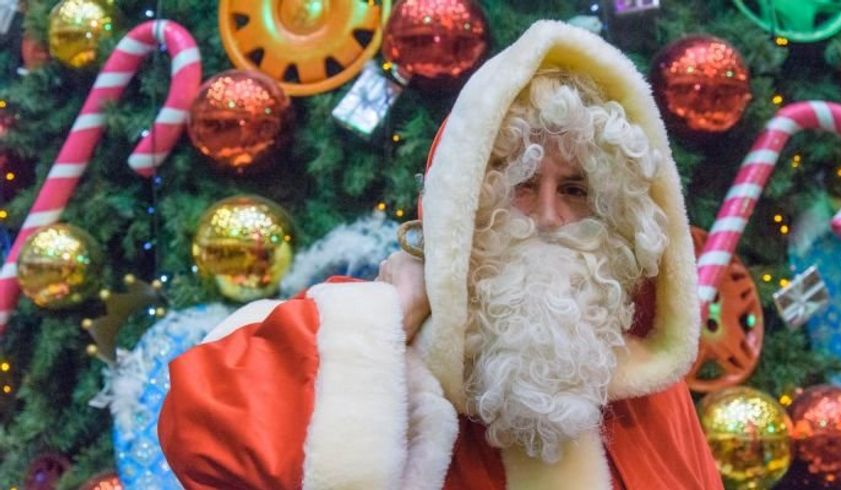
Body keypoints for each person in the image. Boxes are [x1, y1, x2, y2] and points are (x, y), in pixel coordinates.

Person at [159, 20, 722, 489]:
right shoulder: (372, 339)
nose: (550, 217)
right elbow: (204, 435)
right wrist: (390, 316)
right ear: (464, 197)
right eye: (522, 184)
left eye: (575, 190)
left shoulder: (641, 377)